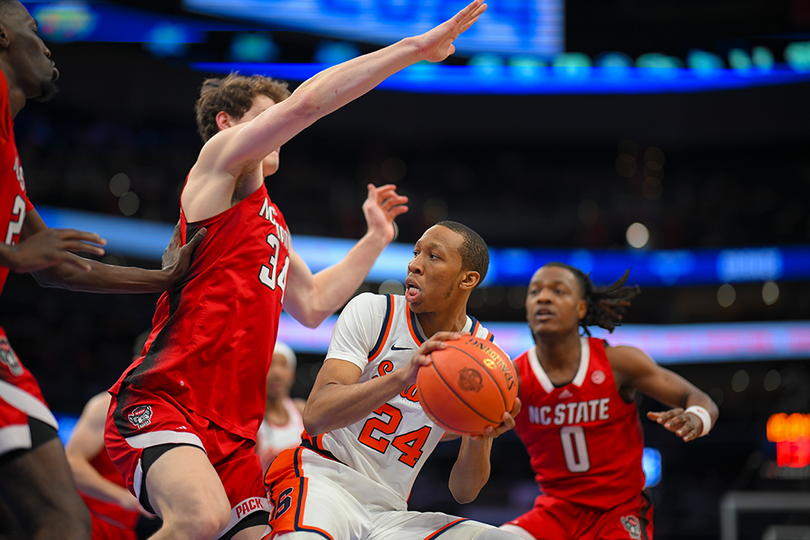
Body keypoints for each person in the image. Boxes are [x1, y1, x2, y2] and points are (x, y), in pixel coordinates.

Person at [104, 3, 489, 539]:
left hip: (235, 432)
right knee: (199, 519)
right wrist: (414, 50)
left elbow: (311, 304)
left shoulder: (273, 225)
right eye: (269, 115)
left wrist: (376, 240)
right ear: (228, 122)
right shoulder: (220, 164)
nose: (283, 126)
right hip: (170, 399)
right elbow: (309, 103)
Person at [0, 2, 202, 539]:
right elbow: (29, 258)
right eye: (34, 30)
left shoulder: (8, 150)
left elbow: (57, 267)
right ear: (1, 35)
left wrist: (162, 280)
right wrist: (10, 256)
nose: (47, 46)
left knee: (58, 522)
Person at [263, 221, 522, 540]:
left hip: (391, 509)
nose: (414, 264)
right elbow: (316, 416)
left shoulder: (487, 359)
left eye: (434, 256)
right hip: (325, 479)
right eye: (416, 253)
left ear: (468, 279)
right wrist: (402, 377)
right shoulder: (374, 312)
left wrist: (482, 434)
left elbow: (464, 492)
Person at [499, 263, 720, 540]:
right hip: (556, 511)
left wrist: (696, 417)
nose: (543, 297)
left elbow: (700, 399)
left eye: (558, 291)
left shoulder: (617, 362)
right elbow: (455, 429)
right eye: (535, 292)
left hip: (619, 510)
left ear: (581, 308)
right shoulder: (511, 378)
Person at [65, 331, 161, 540]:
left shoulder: (164, 416)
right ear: (139, 361)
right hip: (88, 521)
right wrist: (122, 498)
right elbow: (71, 463)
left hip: (123, 528)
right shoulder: (107, 404)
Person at [256, 341, 305, 470]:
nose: (277, 372)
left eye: (283, 365)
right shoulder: (253, 423)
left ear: (292, 375)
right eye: (271, 364)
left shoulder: (301, 410)